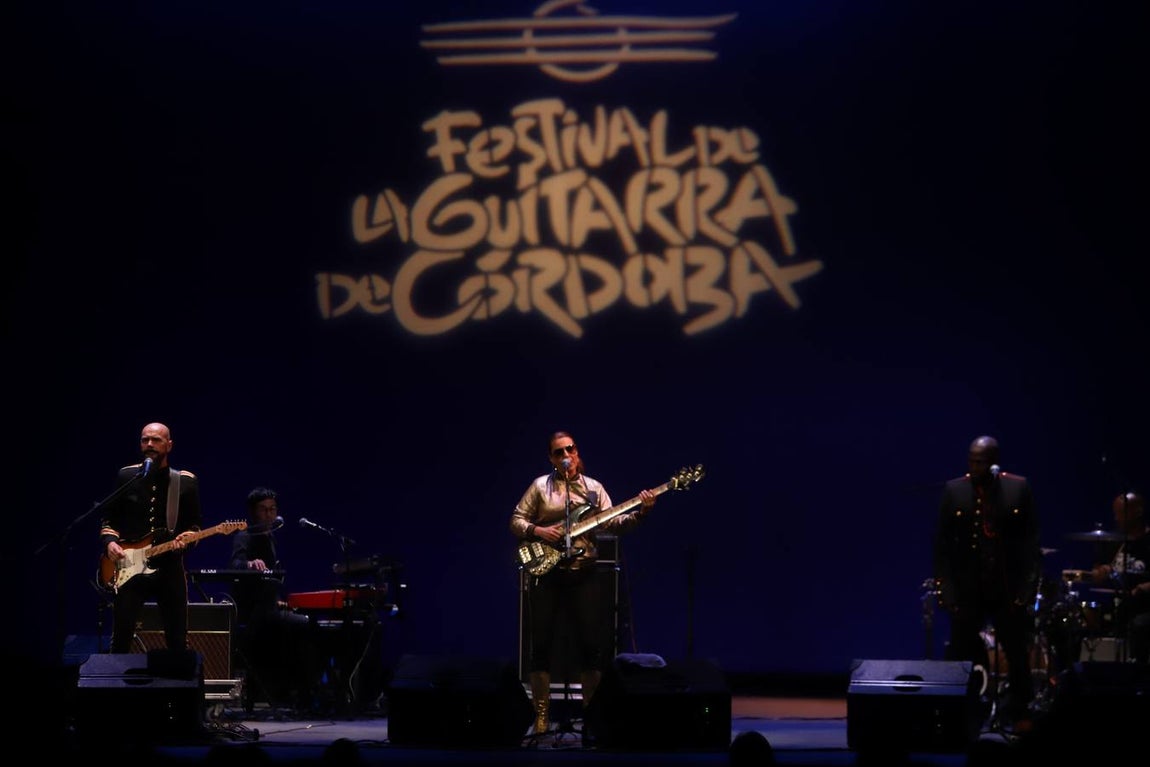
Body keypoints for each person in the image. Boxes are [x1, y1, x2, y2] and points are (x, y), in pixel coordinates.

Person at [509, 430, 657, 735]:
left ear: (577, 453)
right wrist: (540, 531)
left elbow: (615, 524)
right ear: (551, 458)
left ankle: (591, 716)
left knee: (592, 646)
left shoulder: (594, 489)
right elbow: (516, 521)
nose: (566, 456)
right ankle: (540, 719)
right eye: (559, 452)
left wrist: (641, 512)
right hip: (548, 573)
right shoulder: (540, 487)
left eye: (571, 449)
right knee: (542, 644)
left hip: (583, 573)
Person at [933, 435, 1042, 729]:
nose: (974, 466)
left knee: (1017, 654)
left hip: (1006, 589)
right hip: (969, 591)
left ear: (994, 461)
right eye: (971, 460)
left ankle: (1021, 713)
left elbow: (1030, 544)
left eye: (980, 461)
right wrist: (948, 593)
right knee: (959, 653)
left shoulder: (1016, 488)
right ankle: (954, 715)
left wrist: (1027, 590)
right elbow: (942, 548)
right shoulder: (955, 490)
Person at [99, 422, 202, 653]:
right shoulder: (127, 476)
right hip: (129, 567)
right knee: (121, 639)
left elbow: (195, 525)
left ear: (169, 445)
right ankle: (118, 688)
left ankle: (177, 687)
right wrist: (110, 543)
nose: (149, 445)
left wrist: (187, 538)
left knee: (177, 639)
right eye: (145, 440)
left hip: (169, 567)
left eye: (156, 440)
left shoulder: (184, 481)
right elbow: (109, 520)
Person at [228, 487, 318, 710]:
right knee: (305, 626)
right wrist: (249, 564)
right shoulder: (245, 534)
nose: (269, 515)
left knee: (305, 626)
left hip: (269, 607)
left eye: (272, 509)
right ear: (253, 512)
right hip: (256, 613)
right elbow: (235, 565)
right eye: (263, 510)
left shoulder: (270, 537)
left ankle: (298, 692)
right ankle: (304, 695)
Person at [1090, 491, 1150, 662]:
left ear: (1138, 512)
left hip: (1144, 607)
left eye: (1121, 513)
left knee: (1139, 624)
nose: (1117, 518)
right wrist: (1098, 573)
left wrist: (1144, 587)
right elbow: (1098, 572)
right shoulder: (1115, 541)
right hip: (1117, 606)